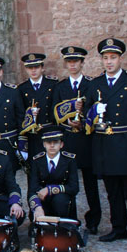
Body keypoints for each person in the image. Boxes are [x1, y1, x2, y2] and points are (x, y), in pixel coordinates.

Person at [86, 38, 127, 247]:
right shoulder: (95, 84)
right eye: (105, 58)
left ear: (120, 59)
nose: (109, 62)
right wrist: (93, 112)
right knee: (112, 191)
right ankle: (119, 228)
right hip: (105, 144)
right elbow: (87, 115)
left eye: (113, 58)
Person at [51, 46, 99, 234]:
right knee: (67, 181)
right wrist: (66, 121)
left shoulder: (91, 84)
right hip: (67, 139)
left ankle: (94, 219)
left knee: (90, 183)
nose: (72, 65)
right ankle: (69, 217)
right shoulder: (60, 87)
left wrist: (83, 118)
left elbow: (96, 109)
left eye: (76, 62)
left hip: (85, 139)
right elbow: (54, 113)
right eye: (69, 62)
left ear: (81, 63)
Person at [28, 126, 79, 220]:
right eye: (48, 142)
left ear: (61, 144)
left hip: (62, 202)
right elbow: (32, 189)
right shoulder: (37, 160)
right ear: (44, 144)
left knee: (60, 201)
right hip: (43, 200)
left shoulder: (69, 160)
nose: (52, 145)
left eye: (55, 142)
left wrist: (50, 189)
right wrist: (37, 207)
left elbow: (74, 188)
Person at [17, 53, 56, 160]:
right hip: (31, 135)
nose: (33, 70)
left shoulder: (53, 85)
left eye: (36, 67)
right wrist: (28, 115)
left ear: (42, 68)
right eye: (30, 68)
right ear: (26, 69)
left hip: (49, 132)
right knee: (33, 168)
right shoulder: (21, 88)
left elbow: (55, 109)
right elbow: (19, 113)